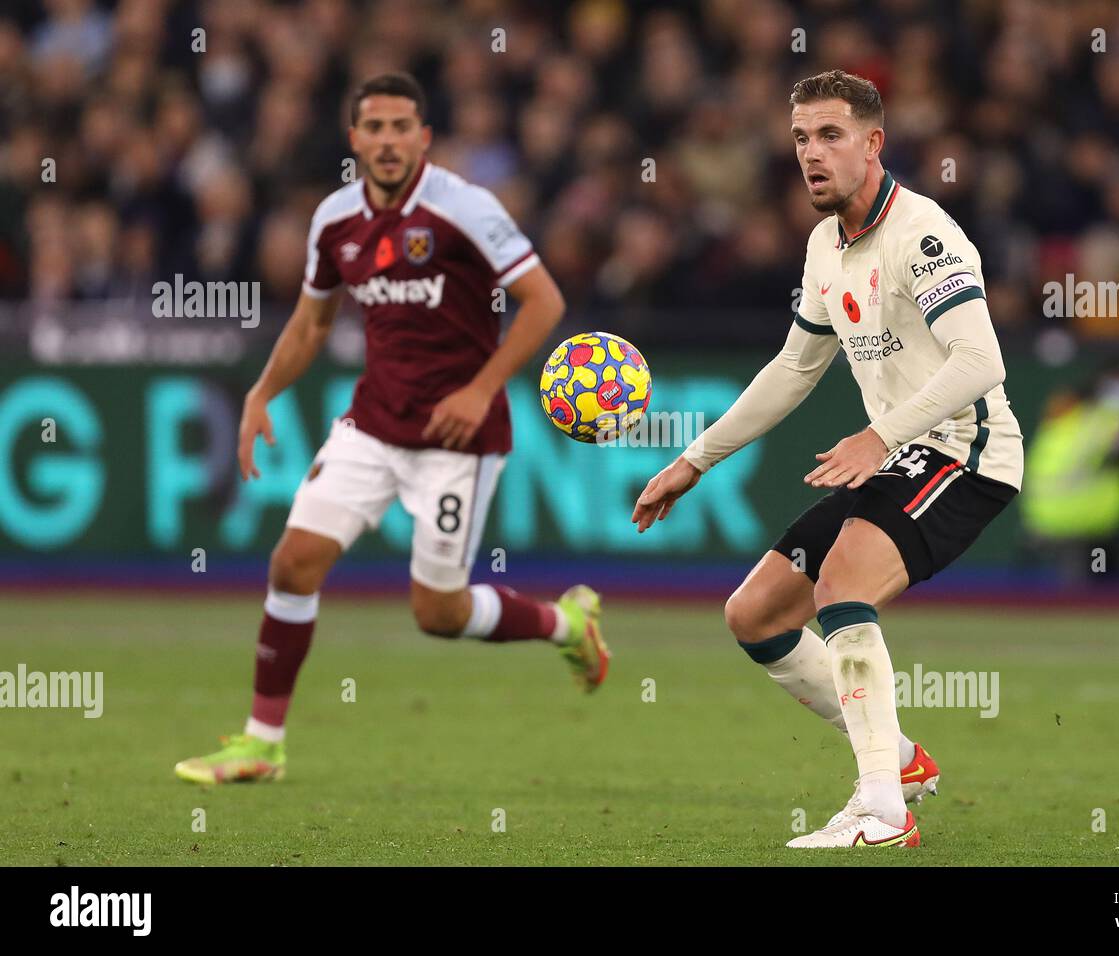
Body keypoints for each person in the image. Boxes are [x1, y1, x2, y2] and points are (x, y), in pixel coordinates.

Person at [175, 73, 608, 786]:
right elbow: (314, 320)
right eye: (373, 128)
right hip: (373, 424)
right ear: (354, 139)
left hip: (457, 439)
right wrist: (262, 393)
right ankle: (262, 742)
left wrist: (479, 389)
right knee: (293, 562)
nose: (386, 141)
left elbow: (543, 300)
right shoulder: (335, 219)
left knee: (436, 613)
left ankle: (566, 626)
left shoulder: (464, 208)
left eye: (401, 126)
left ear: (423, 137)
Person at [632, 70, 1023, 848]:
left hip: (966, 453)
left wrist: (878, 438)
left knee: (842, 586)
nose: (812, 153)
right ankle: (901, 761)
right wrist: (695, 461)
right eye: (802, 138)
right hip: (904, 457)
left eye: (832, 135)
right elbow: (793, 370)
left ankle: (882, 810)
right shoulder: (823, 245)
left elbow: (981, 361)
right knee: (756, 615)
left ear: (874, 144)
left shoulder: (925, 233)